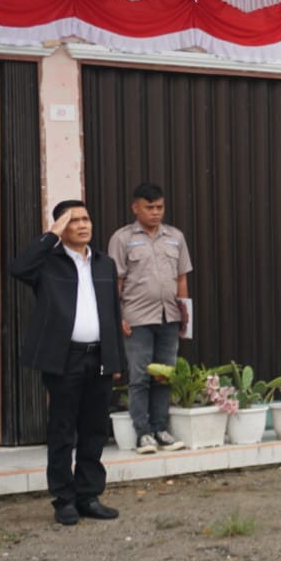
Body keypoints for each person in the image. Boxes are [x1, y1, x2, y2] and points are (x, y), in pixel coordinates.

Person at [8, 200, 125, 526]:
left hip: (99, 357)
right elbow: (18, 268)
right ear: (61, 226)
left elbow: (113, 313)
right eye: (74, 220)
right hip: (64, 358)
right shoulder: (48, 263)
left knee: (94, 430)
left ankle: (88, 495)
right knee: (62, 430)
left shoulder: (104, 263)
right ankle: (64, 499)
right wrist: (51, 236)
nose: (83, 225)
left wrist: (116, 358)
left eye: (86, 218)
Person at [108, 182, 192, 455]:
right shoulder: (122, 238)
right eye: (150, 207)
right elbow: (116, 282)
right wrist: (117, 317)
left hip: (170, 317)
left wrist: (185, 316)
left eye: (160, 207)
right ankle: (143, 434)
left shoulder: (175, 237)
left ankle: (160, 430)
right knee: (140, 377)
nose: (156, 212)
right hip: (137, 319)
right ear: (136, 208)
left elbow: (181, 278)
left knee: (163, 376)